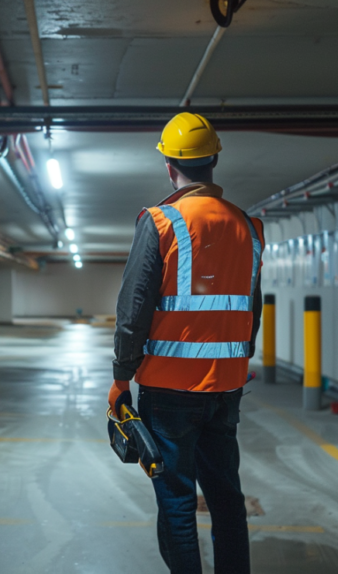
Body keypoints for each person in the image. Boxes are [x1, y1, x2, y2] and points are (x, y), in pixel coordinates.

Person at [110, 112, 264, 574]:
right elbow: (251, 311)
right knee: (226, 499)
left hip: (170, 391)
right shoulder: (248, 227)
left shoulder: (159, 222)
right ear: (213, 159)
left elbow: (133, 309)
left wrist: (121, 378)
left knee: (177, 500)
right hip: (226, 389)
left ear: (169, 165)